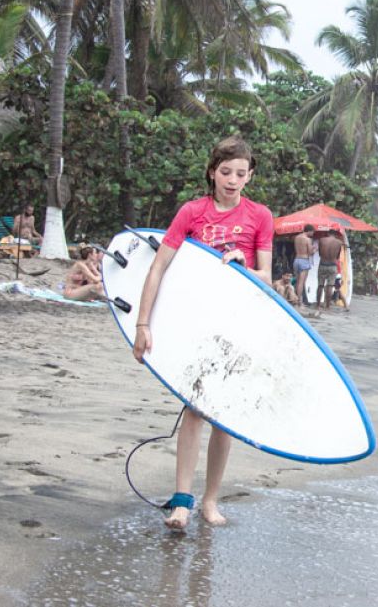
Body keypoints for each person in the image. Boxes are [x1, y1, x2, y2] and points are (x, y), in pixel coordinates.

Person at [132, 136, 273, 530]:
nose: (232, 179)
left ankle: (211, 501)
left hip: (238, 323)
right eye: (225, 172)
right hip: (194, 322)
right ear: (212, 172)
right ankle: (182, 501)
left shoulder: (260, 216)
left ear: (250, 176)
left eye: (241, 173)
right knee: (195, 409)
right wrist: (142, 325)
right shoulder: (192, 212)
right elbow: (158, 268)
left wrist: (244, 264)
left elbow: (268, 279)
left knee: (223, 415)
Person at [315, 230, 344, 309]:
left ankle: (317, 305)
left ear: (328, 234)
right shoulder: (339, 242)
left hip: (322, 264)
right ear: (334, 234)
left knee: (320, 285)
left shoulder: (321, 240)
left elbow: (320, 253)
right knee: (330, 286)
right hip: (332, 265)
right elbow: (337, 256)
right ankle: (327, 306)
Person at [292, 225, 315, 305]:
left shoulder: (296, 238)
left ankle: (294, 299)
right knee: (301, 282)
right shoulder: (308, 240)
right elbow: (310, 253)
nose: (313, 233)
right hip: (304, 260)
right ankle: (299, 301)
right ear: (309, 231)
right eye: (312, 232)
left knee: (297, 281)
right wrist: (314, 249)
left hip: (296, 259)